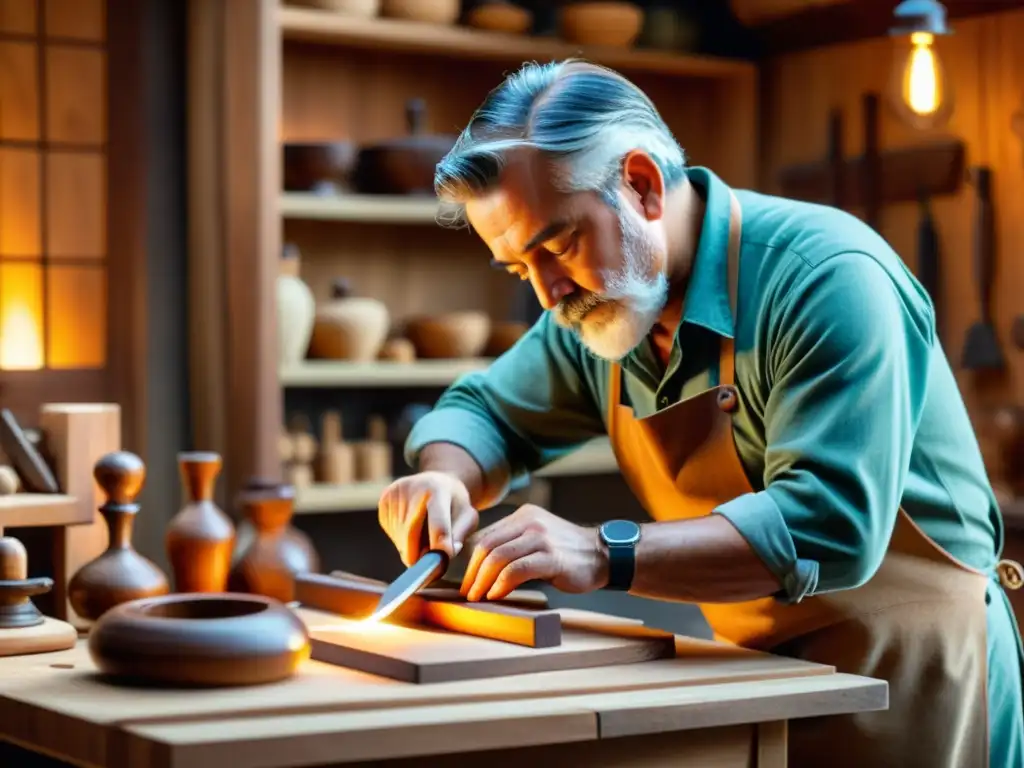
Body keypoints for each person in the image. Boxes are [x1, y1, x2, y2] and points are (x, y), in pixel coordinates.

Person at [376, 59, 1023, 767]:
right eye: (517, 270)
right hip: (762, 682)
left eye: (557, 246)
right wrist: (446, 479)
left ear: (643, 185)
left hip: (920, 684)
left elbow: (830, 523)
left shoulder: (828, 278)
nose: (546, 295)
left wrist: (601, 553)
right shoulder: (601, 311)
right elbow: (485, 412)